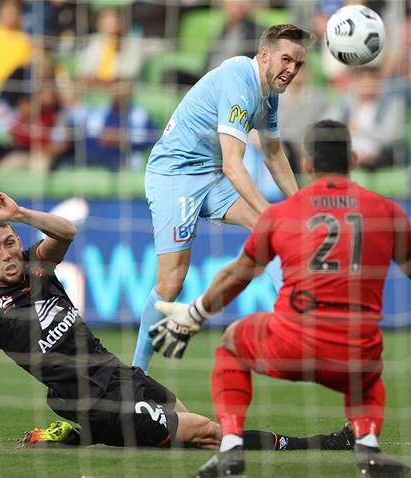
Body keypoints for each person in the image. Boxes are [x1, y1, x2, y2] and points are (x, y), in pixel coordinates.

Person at [150, 120, 411, 477]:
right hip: (354, 355)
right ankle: (368, 445)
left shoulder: (282, 214)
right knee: (371, 370)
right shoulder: (386, 211)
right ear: (354, 161)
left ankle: (230, 445)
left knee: (231, 344)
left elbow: (238, 274)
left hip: (289, 342)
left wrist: (195, 314)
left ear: (307, 165)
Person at [0, 191, 355, 452]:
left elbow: (66, 232)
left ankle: (74, 436)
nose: (7, 254)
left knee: (187, 421)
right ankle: (320, 445)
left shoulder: (37, 265)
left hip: (118, 374)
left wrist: (20, 214)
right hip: (92, 400)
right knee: (210, 431)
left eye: (9, 242)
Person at [133, 24, 313, 372]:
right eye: (286, 60)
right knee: (171, 284)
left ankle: (293, 323)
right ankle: (136, 373)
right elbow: (234, 165)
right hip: (176, 175)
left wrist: (300, 205)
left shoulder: (268, 92)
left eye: (299, 64)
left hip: (210, 174)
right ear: (264, 55)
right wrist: (276, 213)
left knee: (268, 228)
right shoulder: (237, 82)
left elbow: (274, 153)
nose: (291, 70)